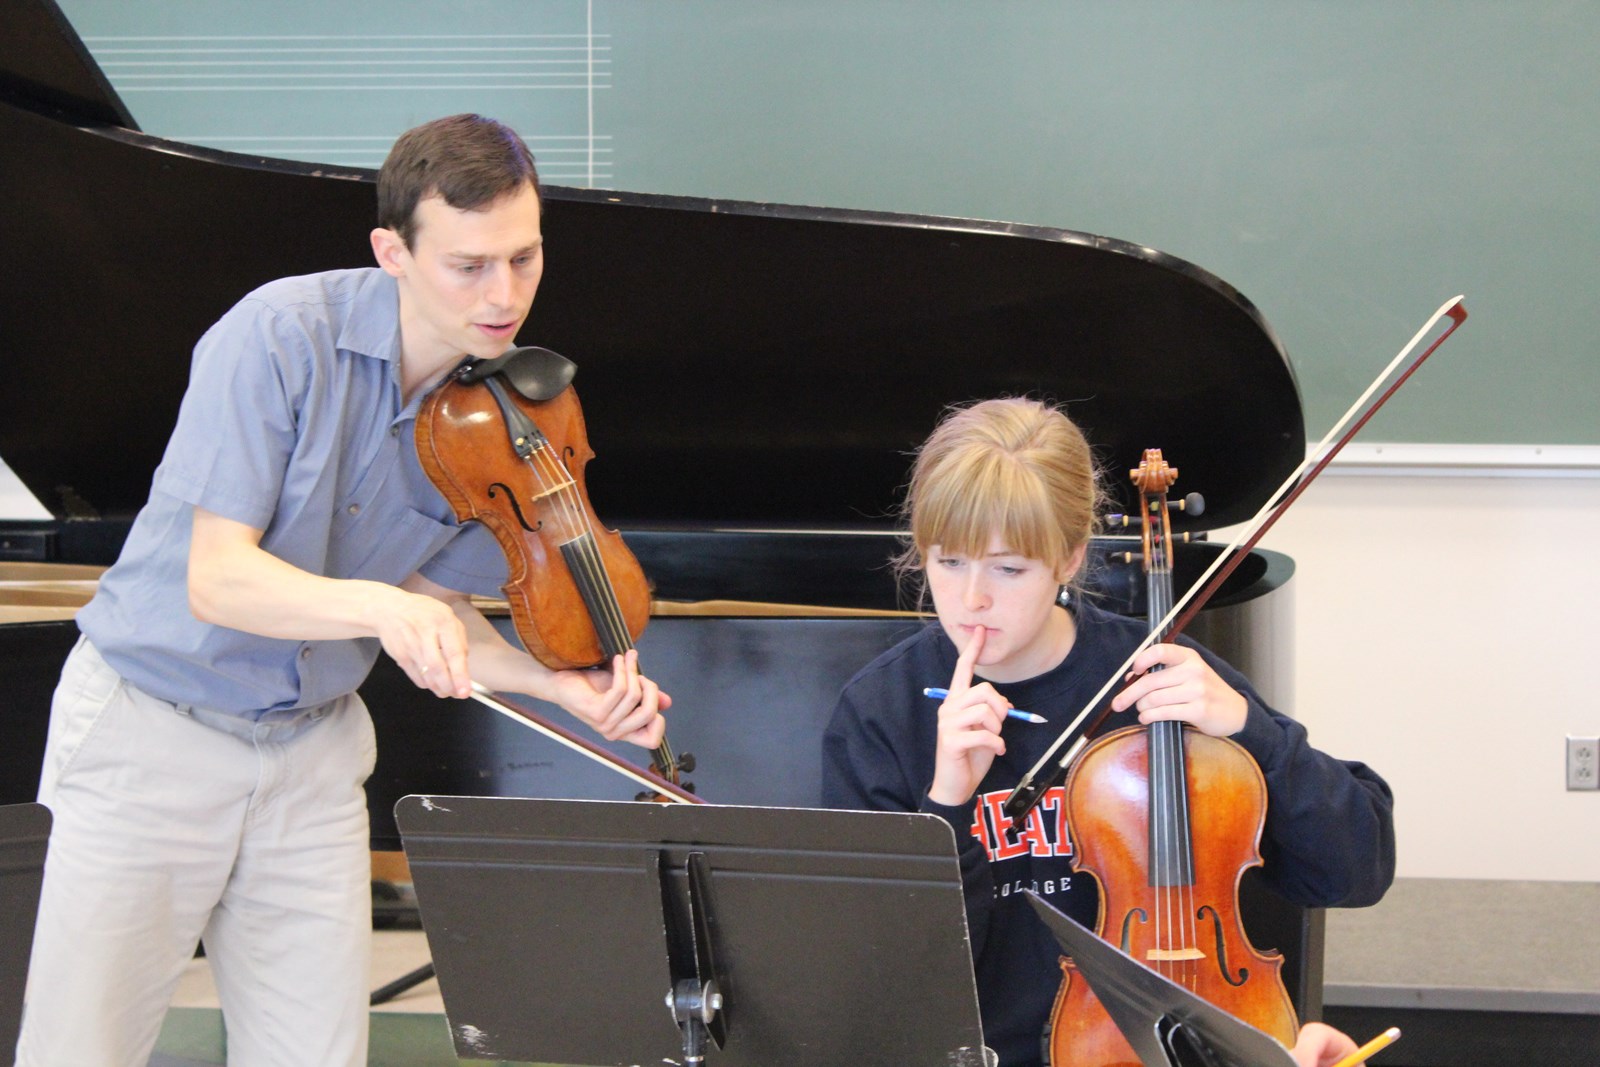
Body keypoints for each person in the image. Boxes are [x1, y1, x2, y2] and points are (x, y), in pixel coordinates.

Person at [15, 114, 669, 1067]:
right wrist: (381, 607)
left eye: (524, 258)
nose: (505, 295)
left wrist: (555, 684)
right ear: (391, 252)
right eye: (469, 265)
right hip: (151, 736)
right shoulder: (280, 335)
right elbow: (219, 576)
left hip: (312, 753)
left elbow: (435, 607)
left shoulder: (499, 412)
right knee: (81, 1050)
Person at [820, 397, 1395, 1067]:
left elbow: (1357, 871)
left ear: (1069, 558)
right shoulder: (881, 712)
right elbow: (883, 981)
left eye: (1008, 568)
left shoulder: (1156, 675)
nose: (972, 598)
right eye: (949, 562)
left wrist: (1253, 732)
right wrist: (946, 804)